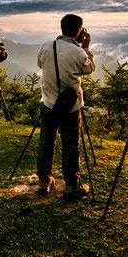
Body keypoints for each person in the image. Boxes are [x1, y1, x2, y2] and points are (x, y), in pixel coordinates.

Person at [36, 14, 95, 200]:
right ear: (79, 30)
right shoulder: (78, 52)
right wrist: (85, 47)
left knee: (46, 142)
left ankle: (44, 181)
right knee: (71, 145)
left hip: (48, 103)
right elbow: (90, 68)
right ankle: (71, 186)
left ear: (61, 27)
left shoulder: (46, 46)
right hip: (71, 107)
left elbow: (40, 63)